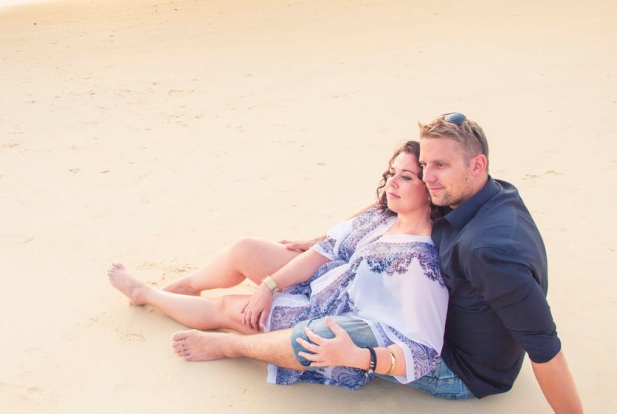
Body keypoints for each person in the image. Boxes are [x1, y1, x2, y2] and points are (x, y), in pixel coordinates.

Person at [169, 114, 617, 414]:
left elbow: (545, 348)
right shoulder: (485, 190)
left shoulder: (491, 251)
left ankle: (232, 346)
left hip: (455, 366)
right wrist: (322, 238)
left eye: (438, 167)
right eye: (423, 166)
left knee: (318, 338)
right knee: (294, 263)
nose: (428, 177)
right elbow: (393, 190)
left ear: (478, 164)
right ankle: (200, 292)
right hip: (411, 303)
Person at [108, 141, 448, 389]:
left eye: (406, 178)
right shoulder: (384, 213)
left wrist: (361, 358)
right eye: (392, 173)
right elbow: (327, 248)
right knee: (245, 249)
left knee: (229, 308)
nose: (391, 183)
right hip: (325, 279)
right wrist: (270, 286)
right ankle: (188, 286)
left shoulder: (418, 261)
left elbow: (422, 351)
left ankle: (145, 294)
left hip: (328, 315)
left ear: (430, 189)